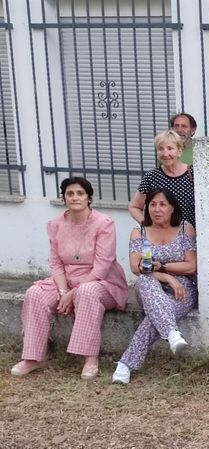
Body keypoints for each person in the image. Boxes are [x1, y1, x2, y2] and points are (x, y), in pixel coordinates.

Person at [11, 177, 127, 380]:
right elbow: (56, 263)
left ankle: (90, 358)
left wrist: (73, 293)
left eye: (80, 193)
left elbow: (102, 266)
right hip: (67, 280)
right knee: (35, 293)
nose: (75, 198)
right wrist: (64, 291)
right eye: (70, 193)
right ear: (63, 198)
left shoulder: (104, 224)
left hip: (102, 281)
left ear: (89, 198)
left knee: (86, 292)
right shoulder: (55, 224)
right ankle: (33, 357)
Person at [112, 189, 197, 385]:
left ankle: (125, 365)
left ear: (172, 207)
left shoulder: (186, 229)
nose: (157, 209)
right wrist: (167, 277)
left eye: (162, 205)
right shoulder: (139, 232)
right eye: (152, 205)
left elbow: (191, 265)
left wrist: (165, 268)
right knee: (145, 281)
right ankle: (170, 332)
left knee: (154, 317)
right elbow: (136, 267)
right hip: (151, 285)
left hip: (183, 287)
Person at [129, 130, 195, 227]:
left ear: (179, 151)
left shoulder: (193, 173)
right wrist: (147, 225)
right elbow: (134, 206)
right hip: (162, 237)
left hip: (191, 237)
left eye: (170, 148)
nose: (165, 153)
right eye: (161, 149)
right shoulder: (151, 177)